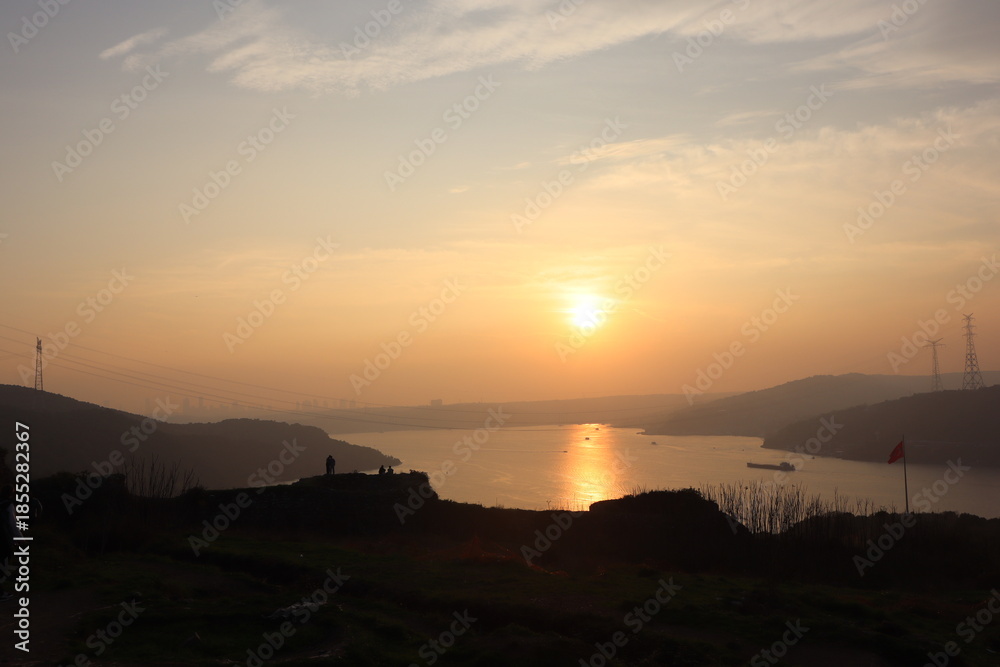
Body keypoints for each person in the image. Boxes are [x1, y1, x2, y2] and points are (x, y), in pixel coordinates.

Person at [0, 484, 21, 602]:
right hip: (4, 538)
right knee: (4, 563)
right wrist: (20, 539)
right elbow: (12, 524)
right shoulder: (8, 505)